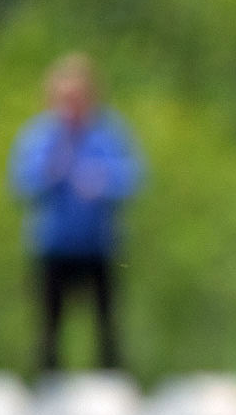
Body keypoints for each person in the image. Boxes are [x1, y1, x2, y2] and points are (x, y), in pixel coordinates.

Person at [8, 53, 143, 375]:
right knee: (49, 320)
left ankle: (111, 374)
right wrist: (52, 172)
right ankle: (48, 375)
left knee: (106, 318)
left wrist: (103, 183)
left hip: (98, 243)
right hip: (54, 243)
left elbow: (132, 177)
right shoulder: (41, 136)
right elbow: (22, 182)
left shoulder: (107, 134)